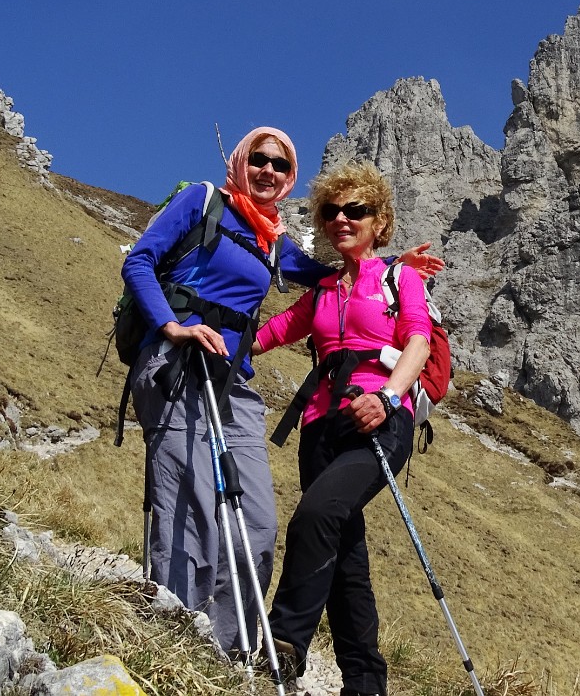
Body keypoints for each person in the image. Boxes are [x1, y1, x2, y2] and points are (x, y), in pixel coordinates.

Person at [121, 130, 440, 658]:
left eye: (280, 163)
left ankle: (229, 650)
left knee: (259, 522)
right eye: (259, 159)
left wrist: (390, 262)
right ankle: (167, 641)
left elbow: (337, 276)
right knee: (190, 506)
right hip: (178, 364)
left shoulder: (274, 243)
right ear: (241, 162)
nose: (268, 170)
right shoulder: (203, 201)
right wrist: (172, 327)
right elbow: (138, 263)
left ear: (289, 177)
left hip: (235, 384)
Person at [254, 160, 429, 696]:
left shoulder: (401, 278)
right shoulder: (325, 288)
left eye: (356, 210)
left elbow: (418, 341)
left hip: (380, 420)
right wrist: (219, 347)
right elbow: (278, 330)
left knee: (318, 514)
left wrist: (388, 396)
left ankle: (283, 642)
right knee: (344, 548)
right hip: (319, 427)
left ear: (380, 220)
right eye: (331, 211)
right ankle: (365, 681)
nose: (341, 220)